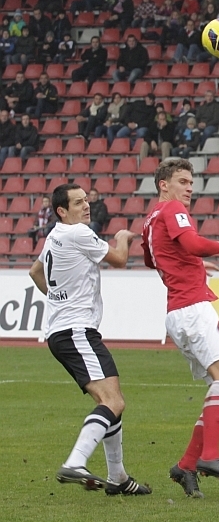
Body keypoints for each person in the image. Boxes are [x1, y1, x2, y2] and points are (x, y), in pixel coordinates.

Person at [28, 183, 150, 496]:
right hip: (76, 331)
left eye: (86, 200)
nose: (86, 206)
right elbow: (119, 259)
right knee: (113, 401)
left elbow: (35, 272)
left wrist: (58, 300)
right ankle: (76, 462)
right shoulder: (78, 233)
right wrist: (122, 238)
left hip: (64, 331)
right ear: (62, 211)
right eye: (78, 202)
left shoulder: (54, 235)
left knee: (111, 401)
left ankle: (117, 478)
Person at [140, 159, 219, 498]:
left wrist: (194, 264)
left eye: (191, 183)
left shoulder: (149, 219)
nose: (189, 188)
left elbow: (153, 259)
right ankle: (209, 456)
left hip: (177, 311)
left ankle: (186, 465)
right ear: (163, 184)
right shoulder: (172, 209)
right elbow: (193, 244)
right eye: (183, 181)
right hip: (192, 308)